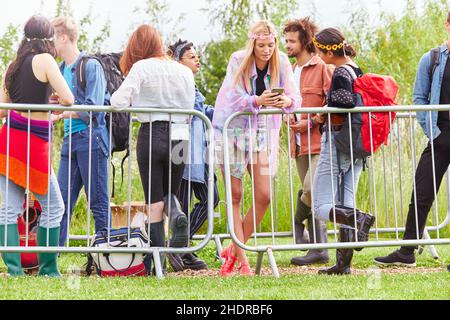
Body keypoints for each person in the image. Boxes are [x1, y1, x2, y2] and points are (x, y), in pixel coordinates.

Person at [213, 20, 301, 277]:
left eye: (270, 45)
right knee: (235, 196)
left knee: (264, 195)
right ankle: (243, 264)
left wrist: (286, 101)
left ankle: (233, 248)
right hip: (231, 131)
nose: (266, 50)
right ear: (253, 44)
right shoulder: (237, 59)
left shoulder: (282, 61)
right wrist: (256, 99)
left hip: (261, 133)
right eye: (261, 45)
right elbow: (231, 97)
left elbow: (296, 98)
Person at [111, 25, 195, 269]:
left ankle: (157, 262)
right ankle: (177, 214)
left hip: (153, 134)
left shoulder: (141, 67)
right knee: (171, 193)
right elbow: (190, 103)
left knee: (154, 201)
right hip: (181, 135)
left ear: (138, 47)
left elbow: (117, 102)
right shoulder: (183, 71)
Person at [0, 15, 74, 277]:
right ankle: (48, 269)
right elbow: (68, 98)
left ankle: (14, 271)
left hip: (9, 140)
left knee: (8, 209)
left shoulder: (13, 65)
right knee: (54, 206)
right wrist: (50, 98)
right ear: (48, 37)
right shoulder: (45, 60)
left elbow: (2, 107)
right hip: (33, 142)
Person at [375, 11, 450, 268]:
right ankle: (407, 251)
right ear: (447, 25)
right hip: (440, 134)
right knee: (422, 191)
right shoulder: (431, 59)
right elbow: (420, 99)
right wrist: (434, 134)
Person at [311, 28, 375, 275]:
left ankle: (360, 218)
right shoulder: (355, 68)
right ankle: (343, 264)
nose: (319, 56)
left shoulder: (339, 72)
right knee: (345, 202)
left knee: (321, 205)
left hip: (337, 141)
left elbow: (344, 101)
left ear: (328, 51)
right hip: (357, 144)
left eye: (319, 51)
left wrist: (323, 109)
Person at [51, 17, 111, 247]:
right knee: (61, 201)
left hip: (91, 138)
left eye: (53, 38)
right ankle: (53, 255)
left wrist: (62, 114)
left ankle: (105, 253)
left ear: (64, 38)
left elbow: (94, 109)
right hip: (70, 141)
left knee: (97, 200)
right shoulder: (60, 69)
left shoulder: (91, 66)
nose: (51, 44)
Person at [283, 17, 334, 266]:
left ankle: (297, 220)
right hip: (297, 142)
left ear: (305, 41)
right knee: (311, 193)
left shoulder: (323, 67)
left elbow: (332, 102)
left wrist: (311, 122)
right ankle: (319, 250)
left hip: (319, 140)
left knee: (312, 189)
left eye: (292, 41)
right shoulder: (290, 71)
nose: (287, 45)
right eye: (286, 40)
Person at [167, 39, 220, 272]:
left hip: (199, 150)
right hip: (182, 148)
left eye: (197, 55)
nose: (197, 59)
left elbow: (203, 110)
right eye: (191, 56)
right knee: (184, 200)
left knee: (211, 198)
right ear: (179, 62)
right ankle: (181, 250)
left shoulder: (194, 86)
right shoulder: (176, 85)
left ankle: (180, 246)